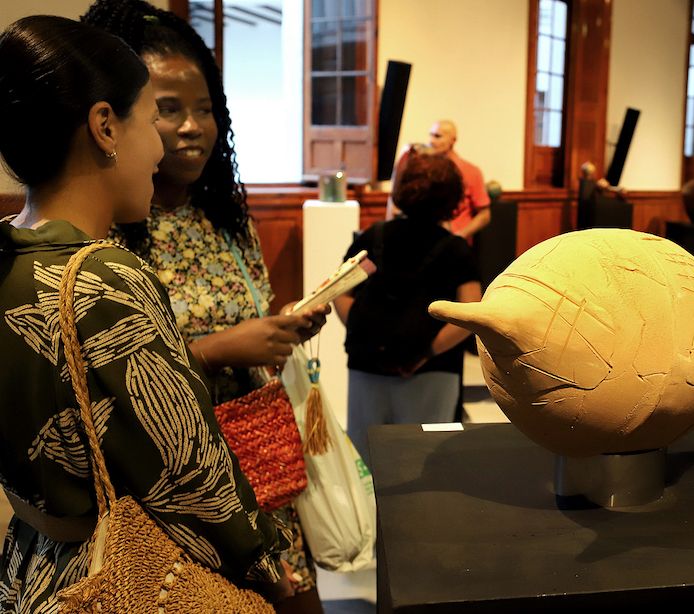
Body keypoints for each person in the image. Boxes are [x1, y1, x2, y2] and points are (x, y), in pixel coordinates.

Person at [0, 15, 292, 609]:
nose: (160, 146)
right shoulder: (105, 279)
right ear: (106, 126)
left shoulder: (8, 252)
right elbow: (190, 472)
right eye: (148, 120)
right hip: (123, 577)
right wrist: (262, 558)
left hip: (33, 563)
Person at [82, 1, 327, 610]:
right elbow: (99, 387)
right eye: (168, 110)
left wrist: (287, 321)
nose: (193, 127)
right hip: (177, 506)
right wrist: (219, 350)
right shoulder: (104, 235)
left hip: (262, 473)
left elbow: (257, 306)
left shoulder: (223, 218)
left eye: (205, 109)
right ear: (117, 119)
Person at [335, 154, 482, 465]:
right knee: (424, 461)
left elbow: (339, 293)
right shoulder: (455, 250)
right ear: (453, 197)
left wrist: (366, 330)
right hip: (431, 372)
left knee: (366, 460)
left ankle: (370, 516)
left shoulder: (372, 237)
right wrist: (426, 352)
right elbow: (471, 314)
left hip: (366, 366)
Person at [387, 120, 491, 241]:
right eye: (430, 135)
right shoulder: (424, 171)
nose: (431, 141)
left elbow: (484, 214)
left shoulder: (471, 171)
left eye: (438, 136)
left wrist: (459, 236)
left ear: (453, 140)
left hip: (452, 240)